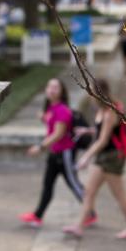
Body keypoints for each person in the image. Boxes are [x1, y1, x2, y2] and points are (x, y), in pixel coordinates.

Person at [63, 79, 126, 239]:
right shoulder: (101, 110)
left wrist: (85, 157)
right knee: (89, 193)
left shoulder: (110, 111)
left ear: (98, 93)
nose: (89, 94)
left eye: (91, 91)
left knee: (120, 195)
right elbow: (103, 132)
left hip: (112, 158)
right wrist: (88, 130)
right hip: (103, 157)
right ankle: (79, 227)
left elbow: (103, 140)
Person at [19, 78, 97, 228]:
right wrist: (43, 117)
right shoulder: (51, 109)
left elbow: (58, 134)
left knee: (74, 184)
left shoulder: (62, 110)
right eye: (49, 86)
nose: (52, 89)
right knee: (48, 184)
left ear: (61, 92)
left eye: (56, 87)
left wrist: (39, 147)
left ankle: (90, 214)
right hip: (54, 154)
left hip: (65, 154)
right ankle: (37, 216)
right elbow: (52, 124)